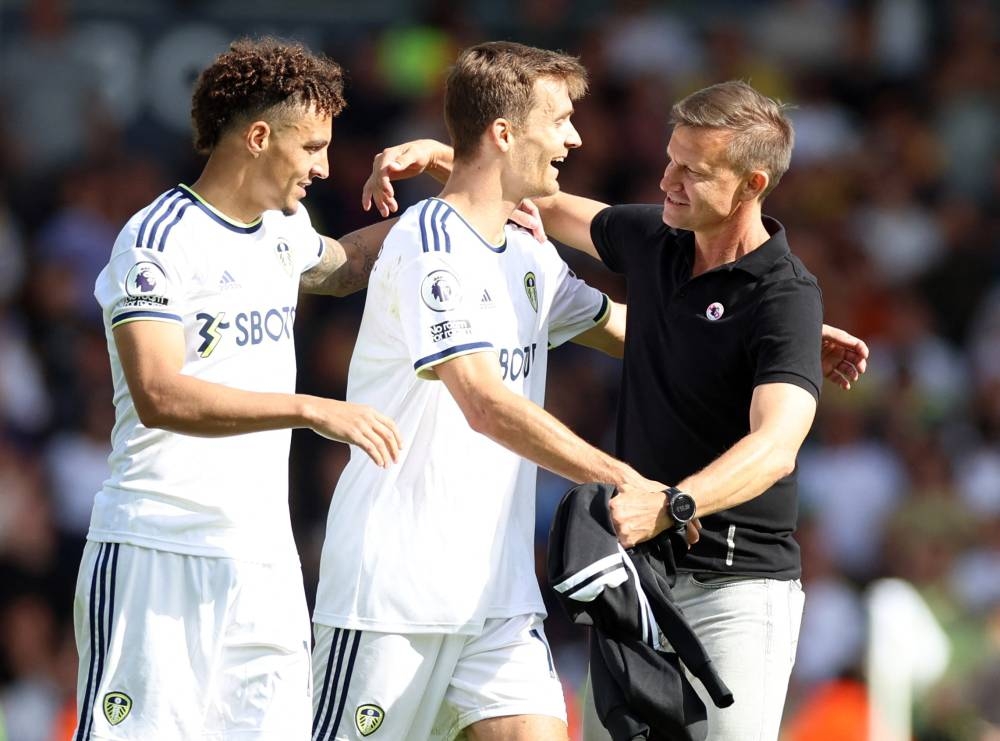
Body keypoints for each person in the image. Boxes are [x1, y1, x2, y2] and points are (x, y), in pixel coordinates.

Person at [361, 81, 869, 741]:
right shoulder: (656, 237)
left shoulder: (785, 295)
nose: (668, 180)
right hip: (632, 579)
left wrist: (673, 504)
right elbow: (539, 197)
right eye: (669, 158)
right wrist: (443, 156)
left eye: (693, 170)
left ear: (752, 184)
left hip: (736, 591)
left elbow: (776, 445)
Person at [310, 41, 666, 741]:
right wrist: (620, 478)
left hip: (498, 602)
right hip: (392, 601)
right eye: (560, 119)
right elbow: (483, 401)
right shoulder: (429, 241)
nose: (575, 137)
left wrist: (776, 335)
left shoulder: (527, 249)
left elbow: (633, 331)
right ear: (504, 133)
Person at [74, 37, 402, 740]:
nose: (322, 167)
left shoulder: (283, 229)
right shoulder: (158, 239)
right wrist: (309, 408)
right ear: (258, 136)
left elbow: (343, 265)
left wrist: (449, 217)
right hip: (159, 549)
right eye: (311, 147)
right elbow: (160, 392)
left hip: (262, 562)